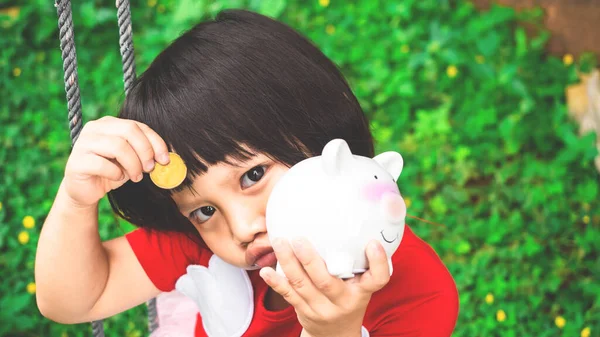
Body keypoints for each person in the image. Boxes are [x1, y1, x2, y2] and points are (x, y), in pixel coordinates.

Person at [35, 9, 459, 337]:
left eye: (253, 175)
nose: (240, 228)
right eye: (202, 210)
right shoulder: (203, 247)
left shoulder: (417, 292)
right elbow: (76, 300)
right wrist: (75, 202)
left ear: (320, 137)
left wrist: (334, 330)